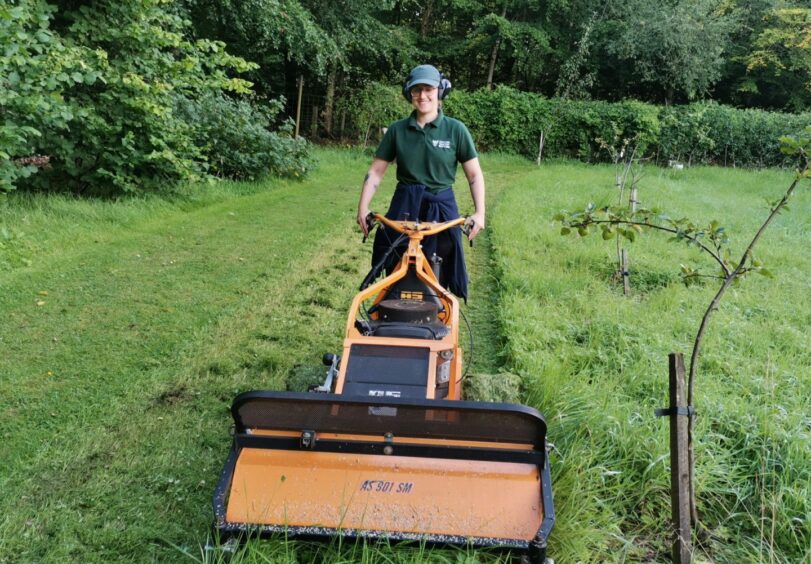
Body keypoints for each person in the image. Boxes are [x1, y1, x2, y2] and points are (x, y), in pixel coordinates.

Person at [356, 64, 485, 301]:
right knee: (395, 260)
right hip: (405, 202)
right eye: (416, 90)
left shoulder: (456, 130)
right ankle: (393, 311)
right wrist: (363, 208)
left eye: (428, 89)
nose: (422, 96)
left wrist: (480, 213)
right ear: (409, 93)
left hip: (441, 205)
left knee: (441, 264)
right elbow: (375, 172)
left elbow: (474, 175)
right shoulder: (397, 130)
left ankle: (437, 314)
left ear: (440, 91)